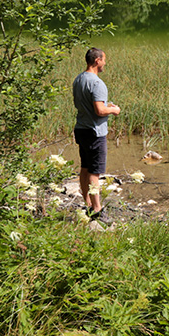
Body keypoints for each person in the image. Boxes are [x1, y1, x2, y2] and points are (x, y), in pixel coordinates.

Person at [73, 47, 120, 222]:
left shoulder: (78, 79)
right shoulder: (97, 83)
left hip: (81, 128)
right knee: (94, 172)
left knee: (84, 167)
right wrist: (114, 110)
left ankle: (88, 204)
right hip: (95, 132)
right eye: (104, 59)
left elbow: (86, 104)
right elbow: (100, 110)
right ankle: (97, 209)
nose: (105, 63)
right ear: (97, 61)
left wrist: (106, 106)